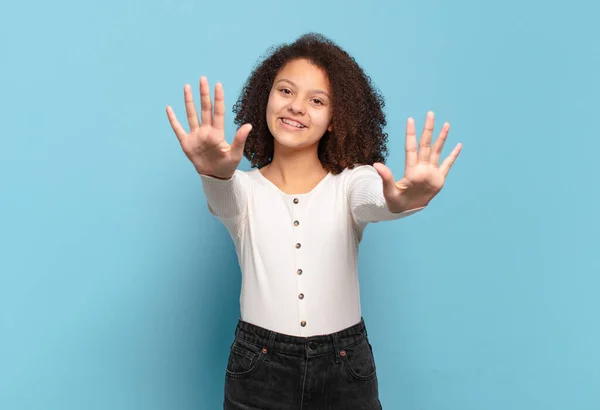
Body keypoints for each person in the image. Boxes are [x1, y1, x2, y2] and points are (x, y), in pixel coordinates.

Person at [166, 33, 461, 410]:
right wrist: (213, 173)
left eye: (316, 100)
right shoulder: (242, 191)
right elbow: (221, 197)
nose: (297, 107)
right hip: (258, 367)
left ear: (336, 120)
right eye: (286, 91)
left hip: (344, 368)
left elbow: (377, 198)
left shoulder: (351, 183)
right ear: (265, 98)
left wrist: (404, 200)